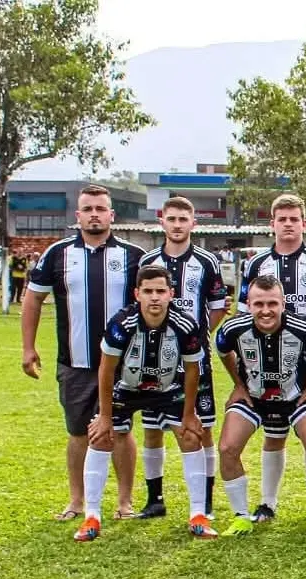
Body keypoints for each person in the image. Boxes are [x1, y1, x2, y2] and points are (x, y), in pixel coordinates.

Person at [23, 183, 144, 521]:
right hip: (75, 363)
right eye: (88, 209)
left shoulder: (133, 256)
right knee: (78, 432)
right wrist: (28, 347)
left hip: (122, 365)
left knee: (121, 430)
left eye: (100, 209)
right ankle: (76, 502)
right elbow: (33, 299)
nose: (94, 215)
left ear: (111, 215)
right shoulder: (58, 254)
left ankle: (125, 502)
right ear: (78, 215)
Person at [76, 264, 208, 542]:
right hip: (126, 388)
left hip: (167, 388)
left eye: (161, 290)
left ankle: (198, 515)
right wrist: (105, 417)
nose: (155, 297)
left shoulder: (186, 325)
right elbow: (106, 370)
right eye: (148, 291)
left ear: (171, 293)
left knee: (191, 437)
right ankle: (92, 516)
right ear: (137, 294)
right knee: (100, 437)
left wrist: (188, 414)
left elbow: (193, 370)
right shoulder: (121, 324)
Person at [237, 194, 306, 524]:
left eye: (294, 218)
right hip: (267, 366)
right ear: (272, 224)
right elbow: (243, 314)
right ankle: (268, 503)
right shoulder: (256, 265)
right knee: (274, 433)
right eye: (281, 219)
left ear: (303, 223)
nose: (287, 224)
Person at [214, 275, 306, 536]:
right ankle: (241, 516)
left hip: (296, 397)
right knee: (227, 447)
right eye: (258, 304)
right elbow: (223, 350)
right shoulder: (233, 328)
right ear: (248, 303)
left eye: (272, 304)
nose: (265, 310)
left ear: (283, 303)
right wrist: (238, 385)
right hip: (254, 399)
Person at [138, 195, 229, 519]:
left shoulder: (206, 261)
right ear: (162, 221)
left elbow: (218, 305)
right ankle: (155, 499)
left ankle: (204, 502)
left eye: (183, 219)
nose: (177, 225)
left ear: (193, 223)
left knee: (201, 429)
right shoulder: (148, 261)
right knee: (152, 428)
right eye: (172, 219)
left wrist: (198, 333)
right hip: (154, 360)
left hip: (194, 359)